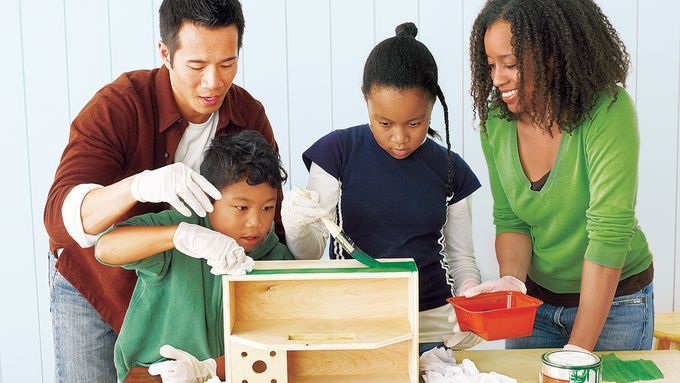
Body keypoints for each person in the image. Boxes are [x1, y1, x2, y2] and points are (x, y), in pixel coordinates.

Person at [43, 1, 283, 381]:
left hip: (182, 301)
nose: (213, 83)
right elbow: (60, 221)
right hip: (96, 289)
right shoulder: (120, 105)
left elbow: (270, 230)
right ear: (165, 54)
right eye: (197, 65)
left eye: (227, 64)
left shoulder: (248, 116)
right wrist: (139, 185)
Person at [282, 22, 483, 353]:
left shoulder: (451, 169)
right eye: (385, 123)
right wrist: (294, 223)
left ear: (433, 104)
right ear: (365, 98)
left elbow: (461, 258)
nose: (400, 138)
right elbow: (311, 250)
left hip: (431, 324)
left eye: (415, 123)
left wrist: (469, 301)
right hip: (351, 318)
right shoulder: (337, 154)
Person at [467, 0, 654, 351]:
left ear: (552, 55)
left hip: (615, 304)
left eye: (509, 64)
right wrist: (511, 281)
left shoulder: (608, 110)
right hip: (535, 306)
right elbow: (511, 220)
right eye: (491, 65)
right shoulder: (496, 122)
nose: (497, 78)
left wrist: (578, 350)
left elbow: (609, 234)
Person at [96, 131, 293, 382]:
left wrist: (206, 370)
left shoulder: (277, 258)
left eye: (268, 208)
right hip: (153, 374)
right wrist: (181, 237)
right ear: (209, 197)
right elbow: (105, 248)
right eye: (241, 208)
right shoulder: (181, 227)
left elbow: (272, 349)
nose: (256, 222)